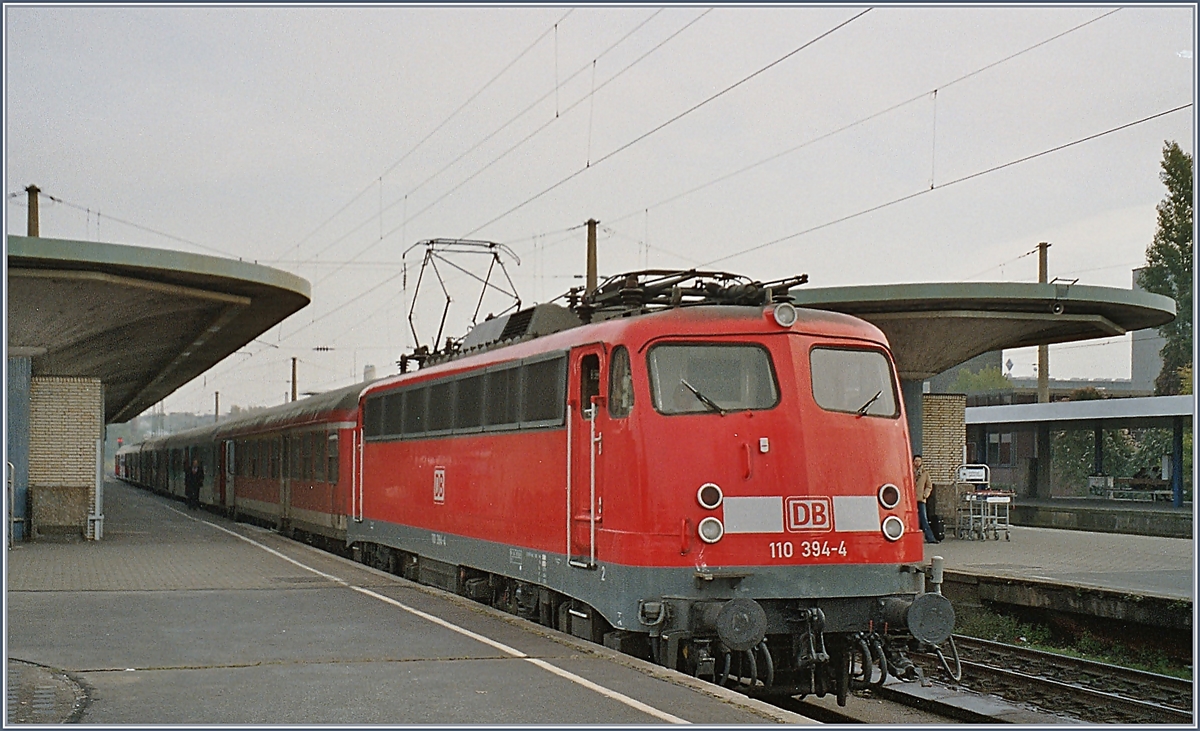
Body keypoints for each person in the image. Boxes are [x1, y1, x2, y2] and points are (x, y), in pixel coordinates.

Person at [913, 454, 938, 544]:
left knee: (924, 518)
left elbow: (929, 486)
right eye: (916, 461)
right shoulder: (909, 471)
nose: (917, 463)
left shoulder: (925, 473)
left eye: (919, 461)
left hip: (921, 499)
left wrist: (925, 494)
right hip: (911, 500)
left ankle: (930, 537)